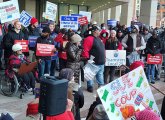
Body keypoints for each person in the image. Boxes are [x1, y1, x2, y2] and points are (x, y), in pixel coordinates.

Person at [82, 26, 105, 92]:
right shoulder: (89, 39)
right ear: (95, 31)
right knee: (90, 73)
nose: (100, 32)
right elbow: (85, 50)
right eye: (98, 30)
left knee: (100, 74)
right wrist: (86, 59)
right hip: (93, 60)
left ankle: (101, 86)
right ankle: (90, 86)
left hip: (101, 60)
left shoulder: (99, 38)